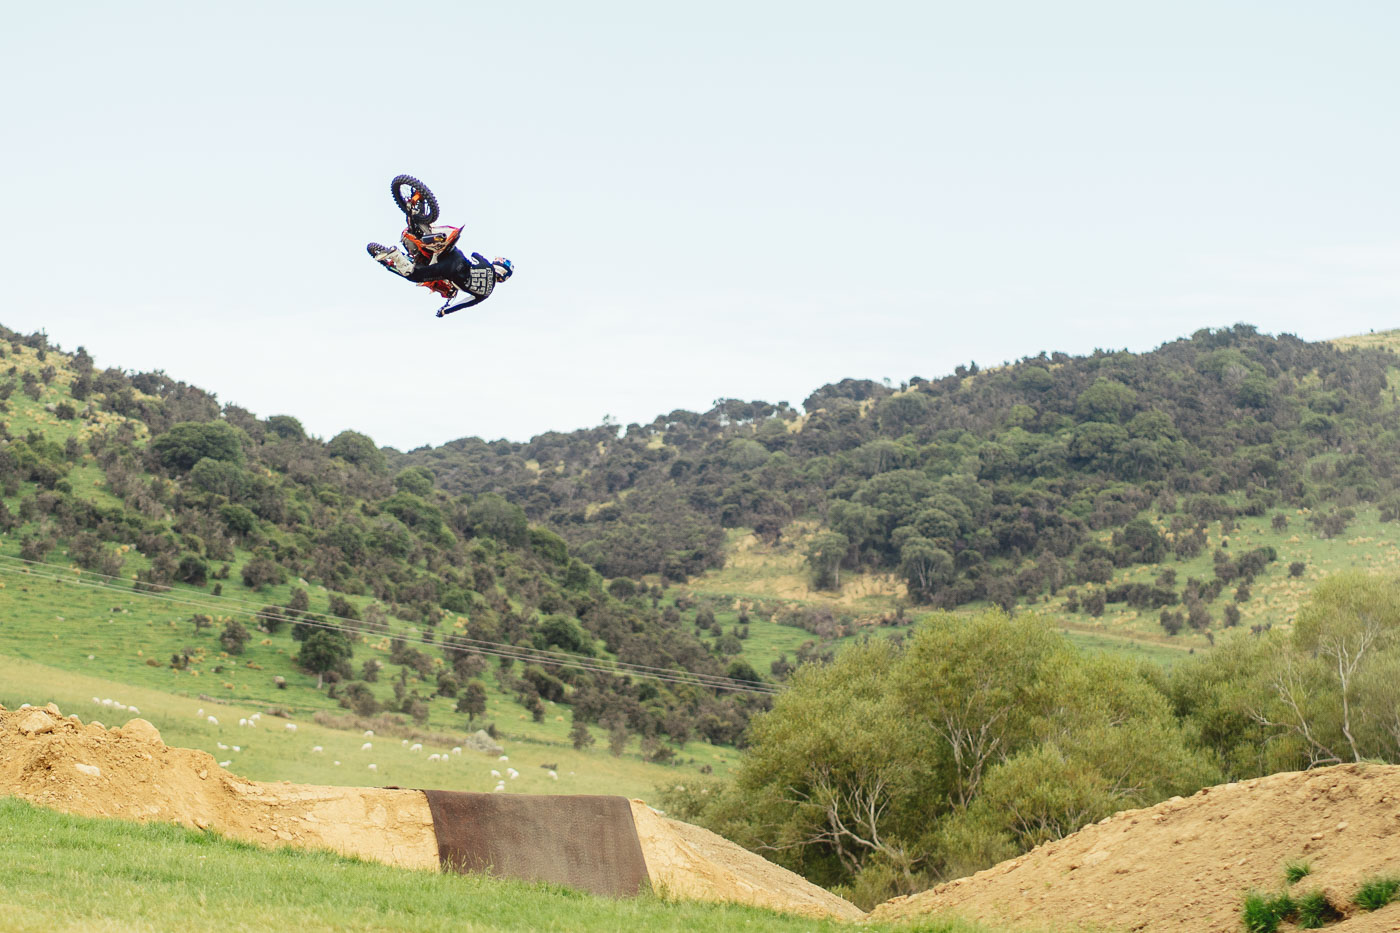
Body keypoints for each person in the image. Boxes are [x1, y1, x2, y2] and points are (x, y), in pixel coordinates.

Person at [367, 231, 514, 317]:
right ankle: (396, 255)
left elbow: (474, 255)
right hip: (448, 270)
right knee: (415, 276)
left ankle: (428, 230)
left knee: (442, 245)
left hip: (456, 255)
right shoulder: (485, 294)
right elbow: (463, 304)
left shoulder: (487, 265)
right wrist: (444, 311)